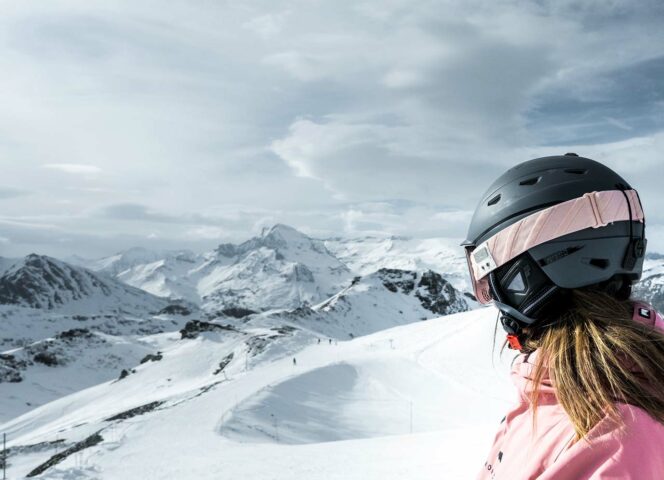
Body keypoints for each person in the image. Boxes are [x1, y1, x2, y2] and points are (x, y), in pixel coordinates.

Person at [463, 154, 664, 479]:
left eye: (495, 276)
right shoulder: (560, 394)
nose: (495, 299)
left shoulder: (609, 437)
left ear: (543, 266)